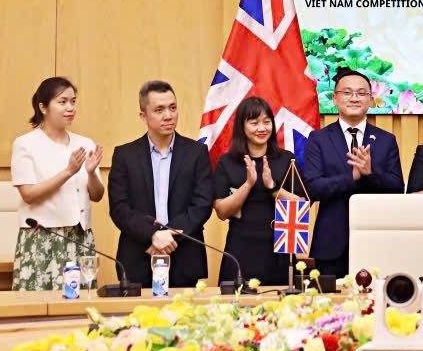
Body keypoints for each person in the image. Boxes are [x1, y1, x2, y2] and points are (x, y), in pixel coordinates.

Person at [108, 81, 213, 288]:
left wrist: (168, 237)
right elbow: (120, 208)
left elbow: (201, 204)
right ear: (143, 116)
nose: (168, 115)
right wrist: (153, 235)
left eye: (173, 108)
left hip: (184, 256)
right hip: (138, 255)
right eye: (159, 110)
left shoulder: (197, 153)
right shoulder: (125, 155)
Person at [301, 68, 404, 278]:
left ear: (370, 99)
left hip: (375, 240)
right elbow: (312, 188)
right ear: (335, 98)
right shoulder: (318, 139)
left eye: (361, 93)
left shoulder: (386, 140)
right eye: (347, 93)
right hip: (331, 243)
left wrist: (370, 173)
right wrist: (353, 177)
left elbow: (397, 187)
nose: (354, 98)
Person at [10, 77, 105, 291]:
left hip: (79, 236)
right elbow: (29, 194)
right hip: (43, 238)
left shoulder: (85, 143)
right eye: (62, 102)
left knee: (79, 307)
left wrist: (90, 173)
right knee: (38, 305)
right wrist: (68, 172)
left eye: (73, 101)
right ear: (43, 107)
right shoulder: (26, 144)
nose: (70, 107)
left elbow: (97, 195)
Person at [213, 97, 303, 286]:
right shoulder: (227, 162)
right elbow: (221, 211)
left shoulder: (286, 159)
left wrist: (273, 187)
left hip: (278, 246)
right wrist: (248, 184)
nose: (262, 128)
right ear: (242, 126)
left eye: (266, 122)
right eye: (254, 123)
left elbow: (301, 205)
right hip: (240, 246)